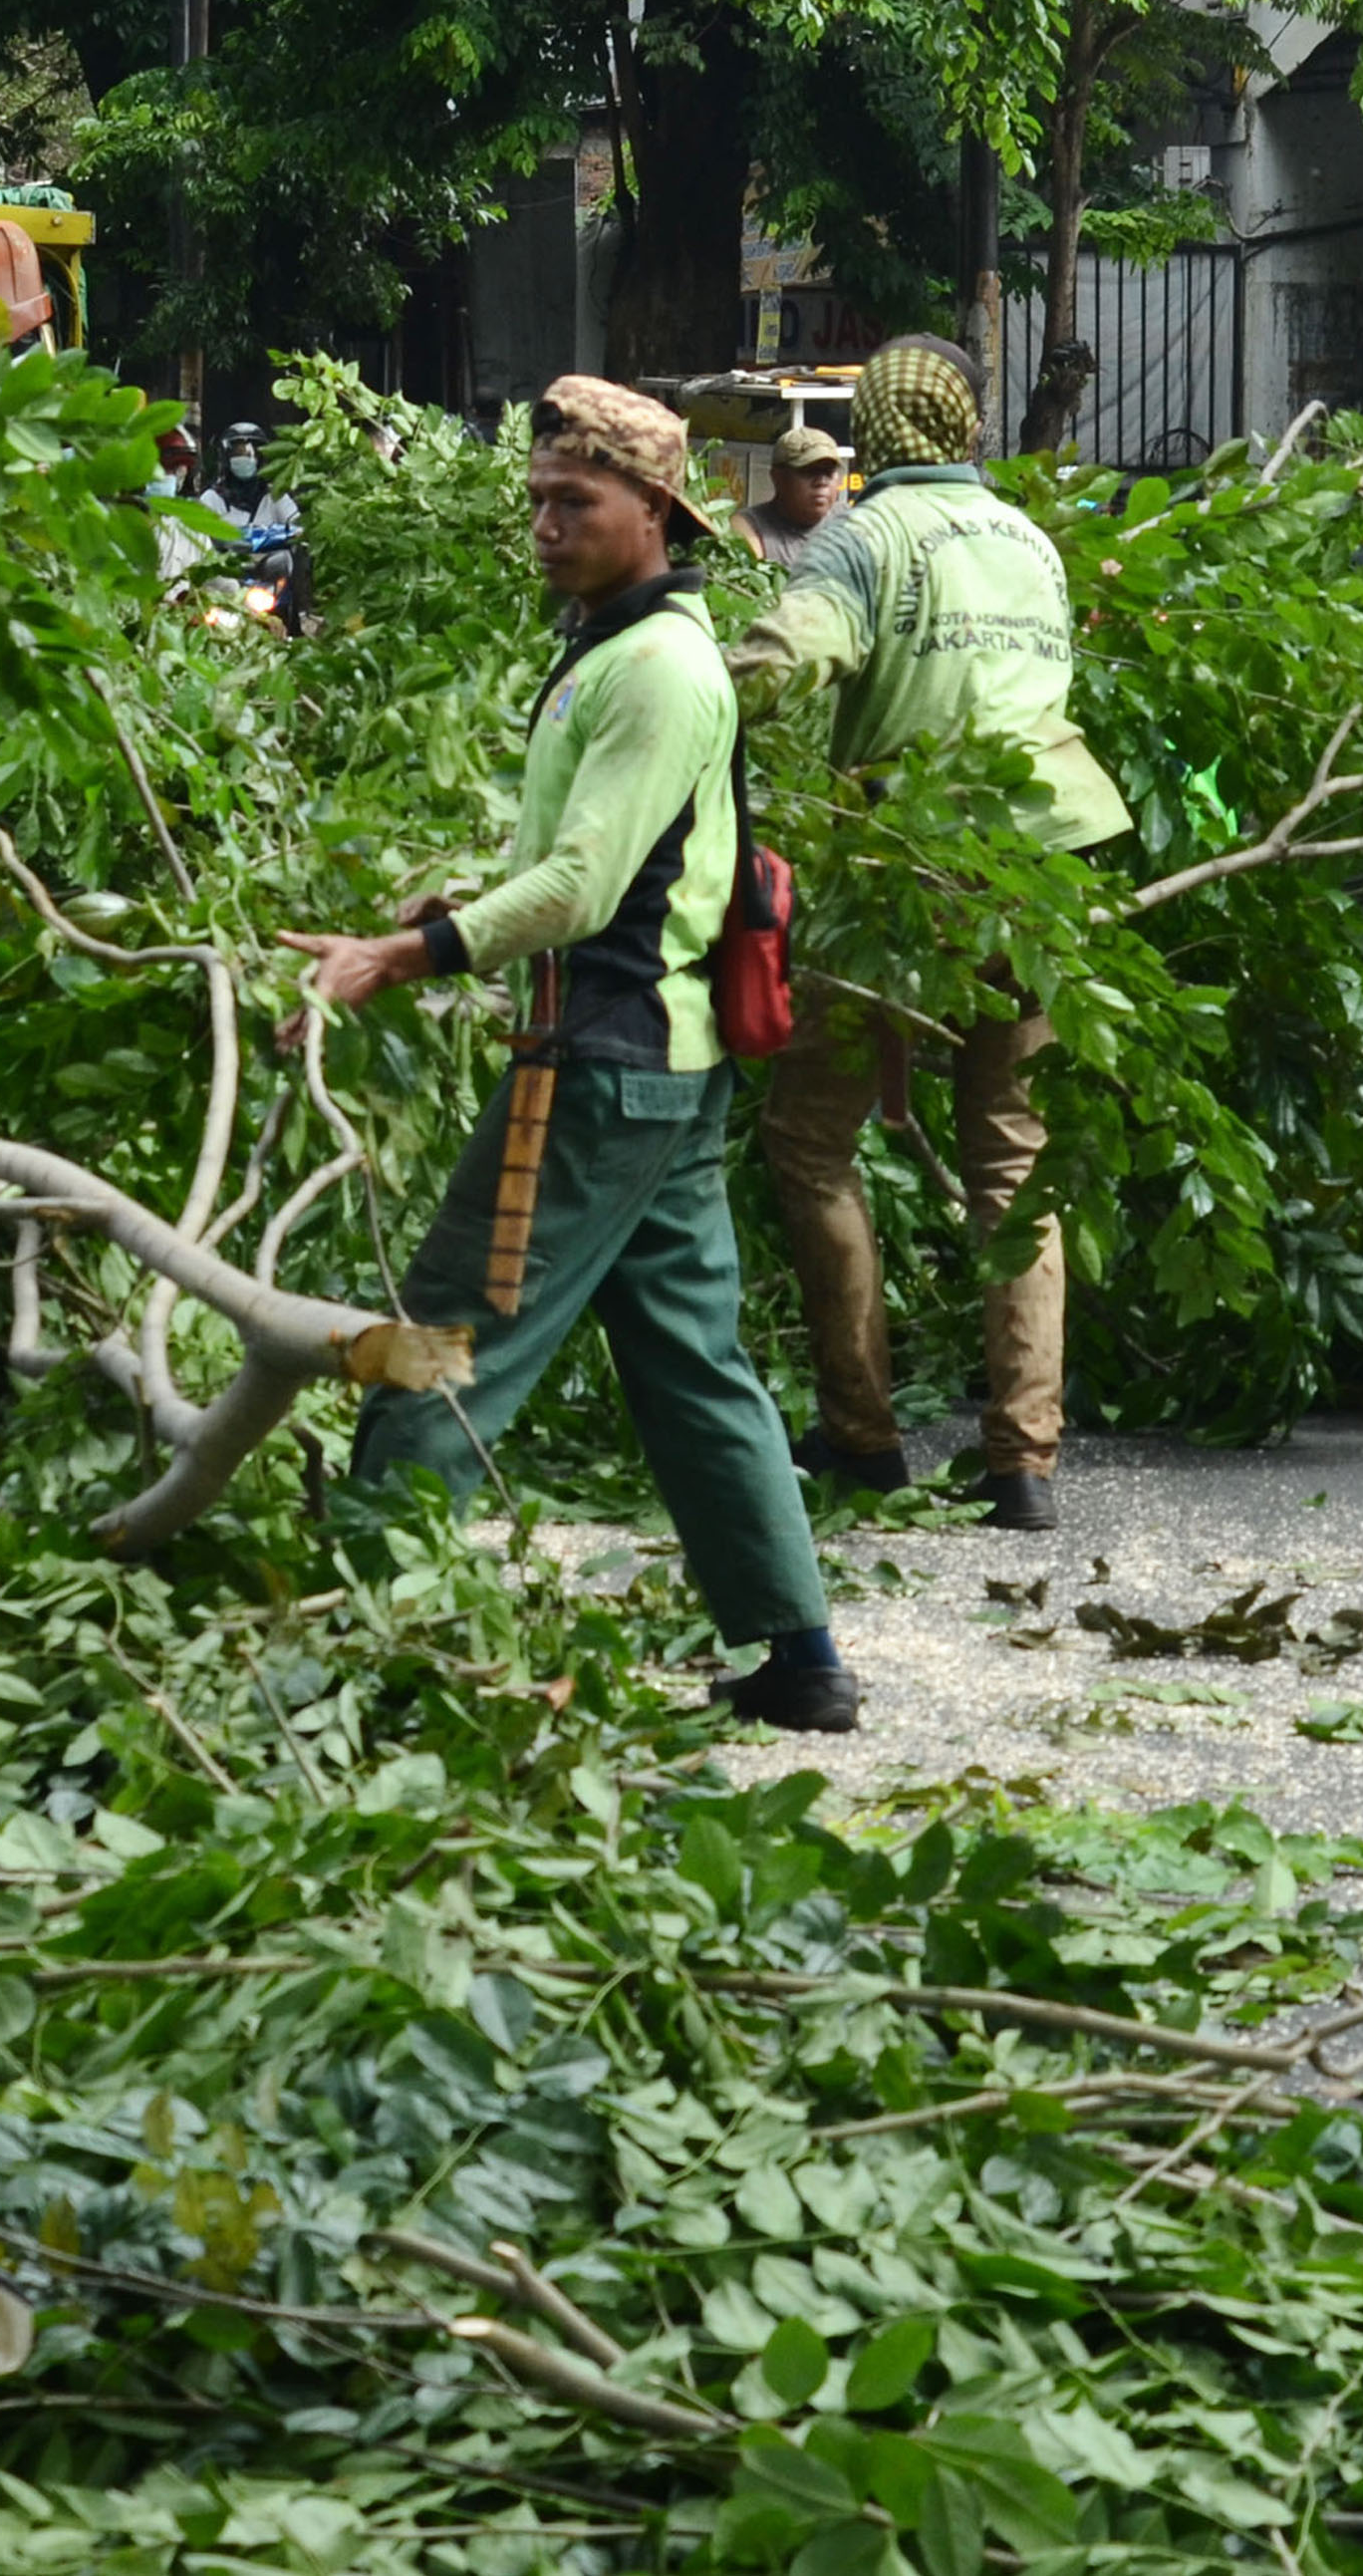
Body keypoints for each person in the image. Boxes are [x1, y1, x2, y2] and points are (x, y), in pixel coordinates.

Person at [277, 375, 864, 1735]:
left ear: (655, 508)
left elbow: (589, 883)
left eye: (574, 501)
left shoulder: (656, 667)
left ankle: (359, 1642)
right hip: (659, 1063)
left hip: (598, 1068)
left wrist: (404, 958)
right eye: (536, 498)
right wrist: (417, 927)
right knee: (692, 1358)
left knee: (445, 1332)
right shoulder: (617, 644)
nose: (544, 523)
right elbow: (590, 865)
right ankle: (800, 1652)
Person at [732, 334, 1129, 1534]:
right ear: (962, 427)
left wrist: (681, 681)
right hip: (1042, 869)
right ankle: (1024, 1460)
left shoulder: (862, 536)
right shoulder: (1030, 541)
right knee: (1012, 1155)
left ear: (879, 438)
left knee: (810, 1138)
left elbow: (794, 658)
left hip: (902, 871)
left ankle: (862, 1435)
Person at [736, 424, 847, 567]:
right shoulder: (750, 528)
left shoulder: (847, 520)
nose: (821, 481)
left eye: (828, 472)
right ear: (778, 478)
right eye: (809, 471)